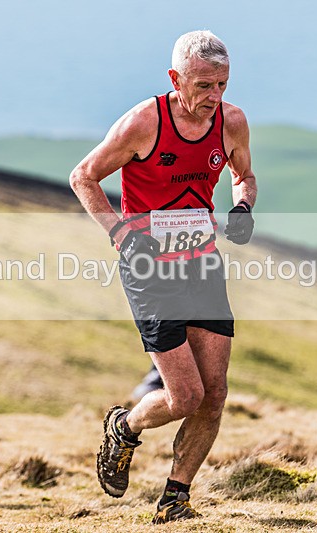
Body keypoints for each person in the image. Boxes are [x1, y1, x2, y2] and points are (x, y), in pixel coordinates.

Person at [70, 30, 257, 523]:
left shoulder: (232, 122)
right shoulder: (143, 123)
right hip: (149, 269)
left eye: (222, 84)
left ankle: (175, 499)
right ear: (176, 79)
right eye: (203, 86)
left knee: (214, 394)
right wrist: (120, 234)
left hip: (202, 265)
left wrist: (242, 204)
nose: (214, 97)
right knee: (186, 396)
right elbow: (83, 176)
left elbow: (245, 175)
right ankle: (124, 427)